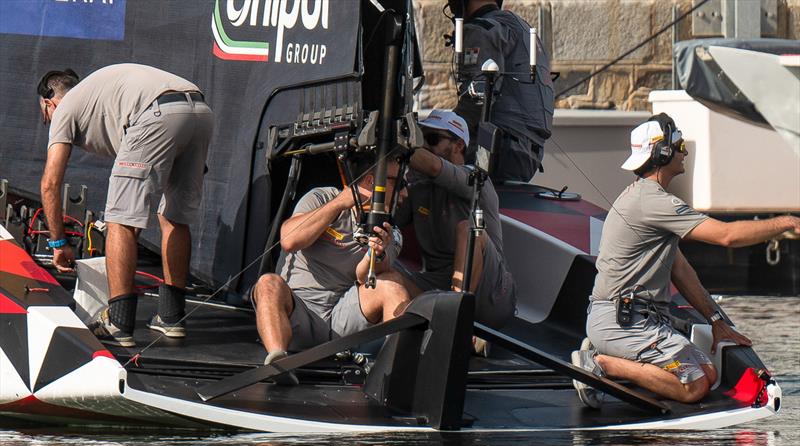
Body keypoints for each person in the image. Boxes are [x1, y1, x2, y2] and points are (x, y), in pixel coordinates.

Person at [572, 113, 800, 409]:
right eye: (679, 145)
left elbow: (681, 271)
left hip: (631, 319)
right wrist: (786, 222)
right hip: (624, 322)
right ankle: (599, 363)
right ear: (662, 152)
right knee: (694, 387)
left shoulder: (647, 199)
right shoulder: (652, 201)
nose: (685, 152)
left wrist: (716, 321)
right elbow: (727, 236)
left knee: (708, 373)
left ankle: (614, 354)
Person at [38, 64, 214, 347]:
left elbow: (50, 183)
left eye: (45, 116)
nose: (49, 123)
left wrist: (58, 244)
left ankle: (118, 322)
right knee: (174, 217)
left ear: (49, 102)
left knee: (119, 221)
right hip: (199, 112)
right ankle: (171, 318)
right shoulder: (100, 96)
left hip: (157, 113)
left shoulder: (67, 106)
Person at [250, 155, 411, 383]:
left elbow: (365, 276)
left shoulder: (392, 232)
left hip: (340, 321)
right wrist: (338, 204)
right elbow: (289, 239)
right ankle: (278, 363)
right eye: (400, 183)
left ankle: (395, 373)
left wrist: (376, 252)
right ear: (371, 182)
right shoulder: (323, 197)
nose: (405, 194)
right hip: (297, 315)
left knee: (392, 282)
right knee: (268, 282)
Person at [394, 109, 516, 334]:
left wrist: (391, 144)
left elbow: (433, 166)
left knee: (469, 229)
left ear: (459, 145)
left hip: (490, 293)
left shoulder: (476, 178)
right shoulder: (417, 188)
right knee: (385, 269)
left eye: (432, 139)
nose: (424, 146)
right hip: (437, 285)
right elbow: (390, 224)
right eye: (421, 138)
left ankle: (454, 321)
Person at [448, 0, 554, 183]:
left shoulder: (481, 30)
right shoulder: (522, 28)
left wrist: (440, 130)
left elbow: (476, 100)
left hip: (496, 151)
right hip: (527, 153)